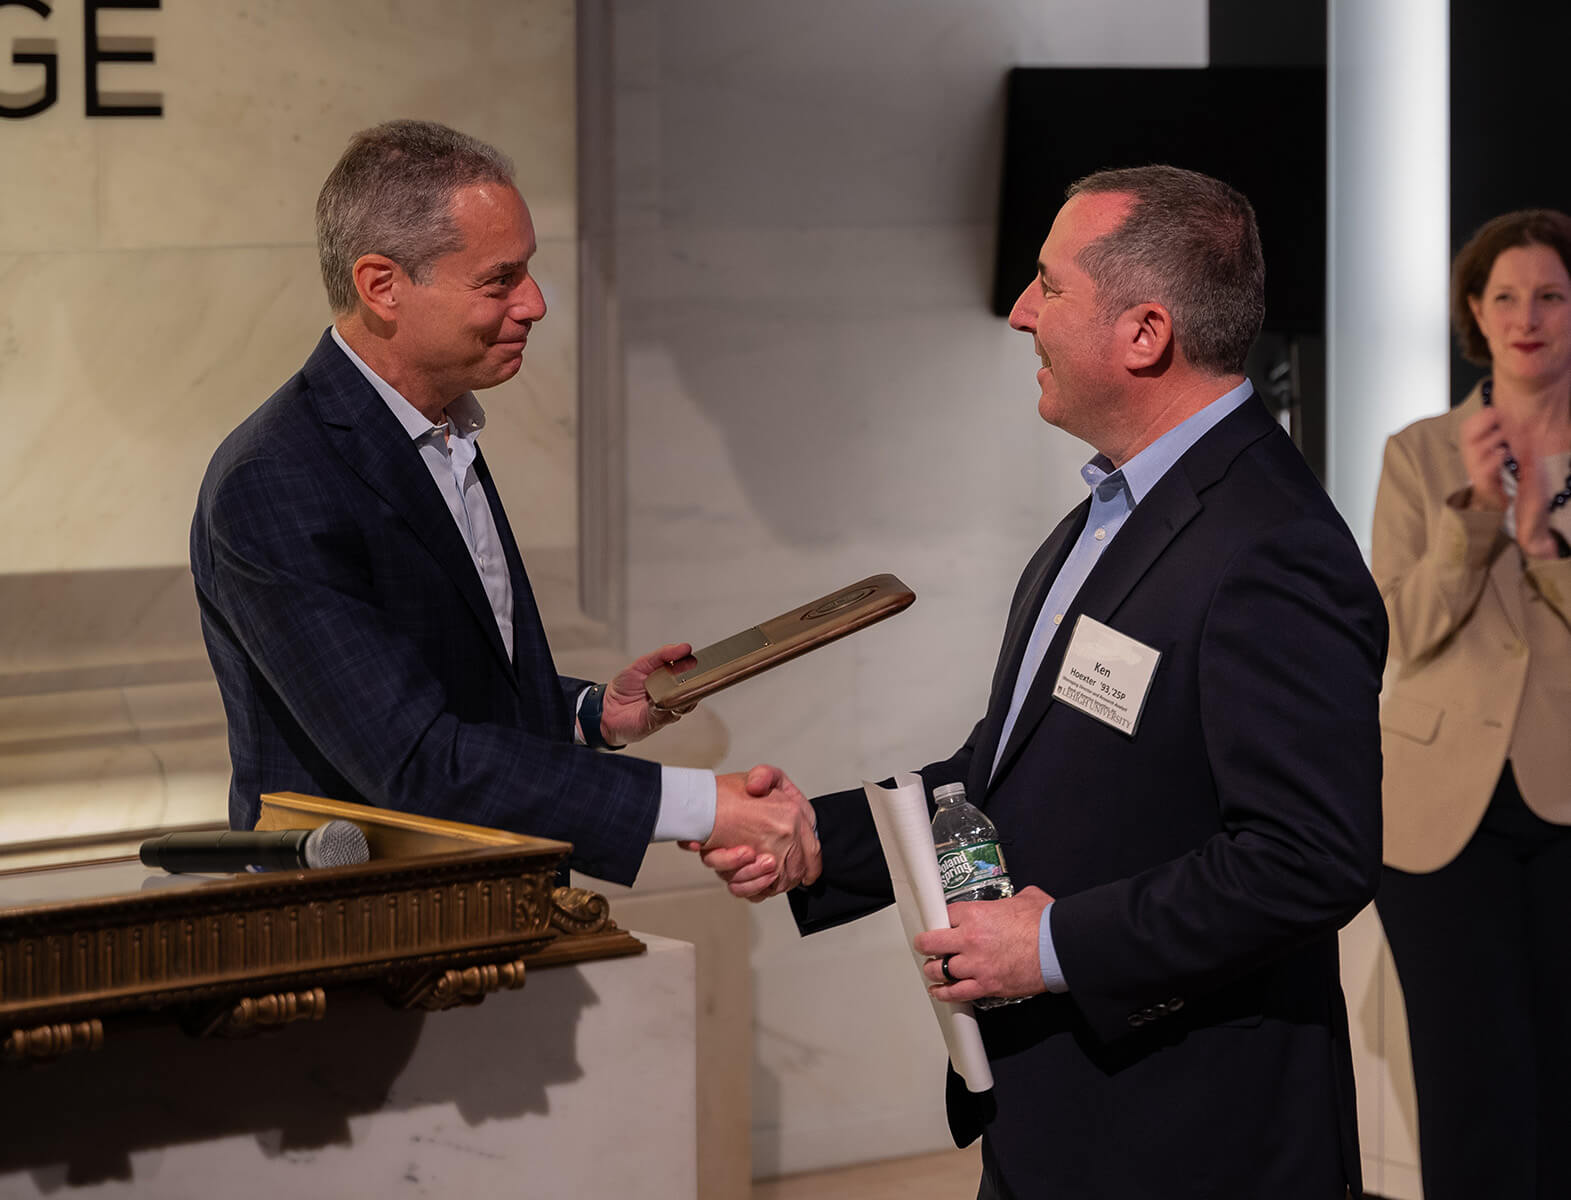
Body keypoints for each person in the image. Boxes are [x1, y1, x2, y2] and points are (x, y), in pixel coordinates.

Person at [698, 166, 1386, 1198]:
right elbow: (1005, 776)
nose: (1019, 312)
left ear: (1143, 332)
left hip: (1191, 1135)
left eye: (1047, 285)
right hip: (1057, 1110)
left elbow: (1307, 860)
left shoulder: (1269, 546)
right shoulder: (1107, 515)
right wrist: (817, 840)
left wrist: (1055, 944)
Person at [190, 119, 819, 888]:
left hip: (480, 921)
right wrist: (702, 805)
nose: (536, 304)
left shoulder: (442, 430)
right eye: (499, 281)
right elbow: (413, 759)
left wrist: (592, 713)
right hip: (362, 943)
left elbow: (442, 684)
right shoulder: (276, 479)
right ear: (382, 285)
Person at [1372, 209, 1571, 1200]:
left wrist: (1540, 544)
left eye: (1548, 295)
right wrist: (1475, 528)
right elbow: (1398, 630)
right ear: (1472, 314)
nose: (1525, 317)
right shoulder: (1415, 453)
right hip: (1434, 815)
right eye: (1504, 297)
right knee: (1466, 1084)